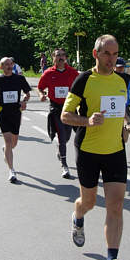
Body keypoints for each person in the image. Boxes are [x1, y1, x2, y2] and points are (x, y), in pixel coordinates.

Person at [61, 35, 130, 260]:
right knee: (88, 203)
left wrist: (129, 126)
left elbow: (121, 110)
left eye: (115, 54)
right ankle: (78, 217)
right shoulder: (84, 80)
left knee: (115, 205)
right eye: (107, 53)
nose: (111, 58)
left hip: (116, 150)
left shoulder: (120, 81)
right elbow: (65, 115)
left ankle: (112, 258)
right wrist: (87, 121)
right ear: (96, 54)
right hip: (89, 150)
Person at [38, 48, 78, 179]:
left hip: (70, 109)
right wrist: (41, 95)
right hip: (56, 109)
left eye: (62, 55)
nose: (60, 57)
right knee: (61, 137)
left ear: (66, 57)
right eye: (57, 56)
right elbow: (40, 88)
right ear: (53, 58)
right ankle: (65, 165)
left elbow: (81, 87)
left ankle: (61, 152)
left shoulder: (73, 72)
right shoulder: (48, 73)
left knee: (66, 137)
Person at [0, 57, 31, 183]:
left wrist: (24, 101)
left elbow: (27, 93)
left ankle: (6, 150)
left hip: (16, 114)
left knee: (14, 143)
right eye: (6, 64)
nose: (9, 66)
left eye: (10, 64)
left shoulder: (19, 79)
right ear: (1, 67)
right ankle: (11, 170)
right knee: (7, 141)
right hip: (3, 113)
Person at [114, 57, 130, 122]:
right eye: (119, 67)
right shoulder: (110, 77)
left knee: (127, 123)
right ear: (114, 67)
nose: (121, 68)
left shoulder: (128, 77)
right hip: (113, 104)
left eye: (122, 67)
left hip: (126, 104)